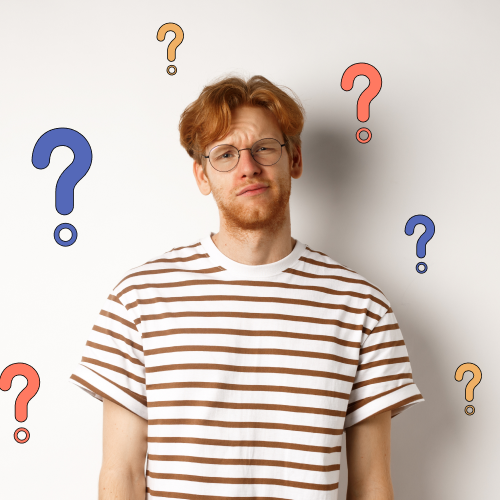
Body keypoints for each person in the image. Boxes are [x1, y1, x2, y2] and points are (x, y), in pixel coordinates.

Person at [70, 74, 424, 500]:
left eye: (263, 148)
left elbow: (371, 484)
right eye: (225, 154)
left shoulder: (363, 308)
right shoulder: (140, 300)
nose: (248, 166)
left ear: (294, 159)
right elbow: (121, 476)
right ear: (202, 176)